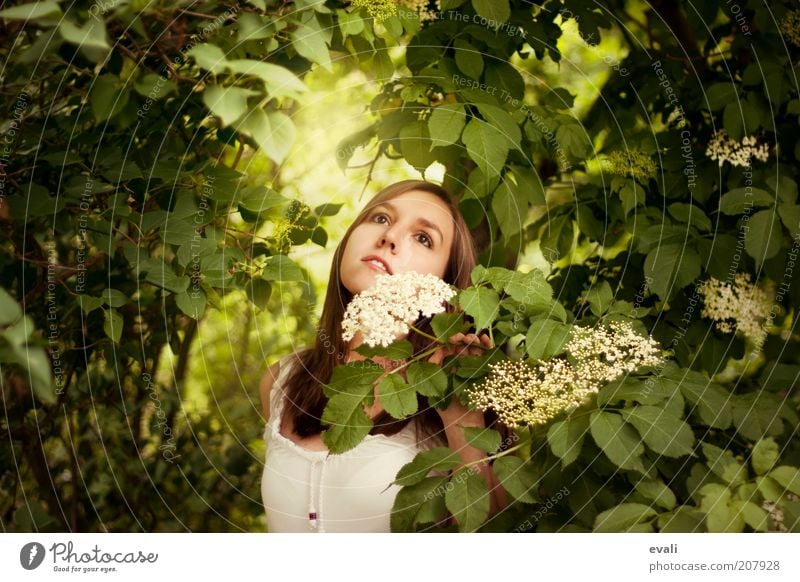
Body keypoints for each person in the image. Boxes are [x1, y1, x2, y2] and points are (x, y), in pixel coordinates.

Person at [259, 179, 507, 532]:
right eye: (380, 218)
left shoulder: (456, 387)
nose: (390, 237)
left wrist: (463, 428)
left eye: (424, 238)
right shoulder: (282, 380)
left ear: (445, 284)